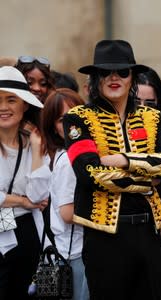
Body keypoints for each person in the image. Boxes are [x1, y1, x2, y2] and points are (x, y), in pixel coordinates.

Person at [63, 39, 161, 300]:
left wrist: (125, 160)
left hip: (149, 231)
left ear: (133, 78)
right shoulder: (78, 118)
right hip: (105, 237)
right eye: (105, 72)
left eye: (122, 71)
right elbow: (88, 173)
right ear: (96, 79)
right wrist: (146, 181)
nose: (114, 77)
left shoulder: (152, 117)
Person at [0, 66, 50, 299]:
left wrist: (38, 148)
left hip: (25, 232)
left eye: (11, 100)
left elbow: (39, 196)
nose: (3, 107)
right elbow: (29, 200)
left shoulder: (34, 143)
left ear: (25, 104)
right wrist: (22, 201)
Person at [41, 88, 88, 300]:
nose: (72, 123)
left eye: (77, 113)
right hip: (74, 255)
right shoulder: (69, 160)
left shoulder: (72, 154)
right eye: (62, 119)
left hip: (72, 252)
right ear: (54, 128)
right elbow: (67, 214)